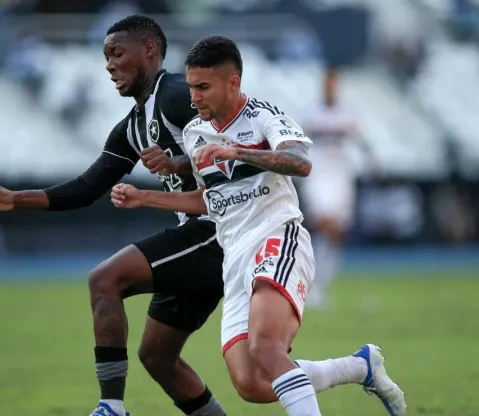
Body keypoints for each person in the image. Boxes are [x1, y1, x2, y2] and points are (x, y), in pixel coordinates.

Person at [111, 35, 406, 416]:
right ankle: (359, 366)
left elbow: (300, 162)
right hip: (234, 257)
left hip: (277, 234)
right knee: (251, 384)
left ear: (233, 83)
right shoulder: (194, 133)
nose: (194, 98)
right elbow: (210, 200)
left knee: (266, 347)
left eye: (203, 87)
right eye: (191, 88)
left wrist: (237, 150)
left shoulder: (262, 115)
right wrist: (146, 197)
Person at [0, 16, 226, 416]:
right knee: (158, 357)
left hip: (222, 229)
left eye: (117, 53)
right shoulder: (132, 126)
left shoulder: (179, 94)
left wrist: (177, 161)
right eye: (105, 56)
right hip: (197, 236)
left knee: (104, 280)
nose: (109, 64)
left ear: (149, 51)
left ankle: (111, 408)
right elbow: (87, 186)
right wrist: (14, 199)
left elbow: (229, 142)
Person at [300, 68, 381, 309]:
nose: (330, 89)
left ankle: (320, 286)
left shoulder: (348, 112)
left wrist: (372, 161)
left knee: (337, 233)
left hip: (340, 175)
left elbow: (361, 139)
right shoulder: (311, 113)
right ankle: (308, 285)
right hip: (318, 174)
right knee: (325, 223)